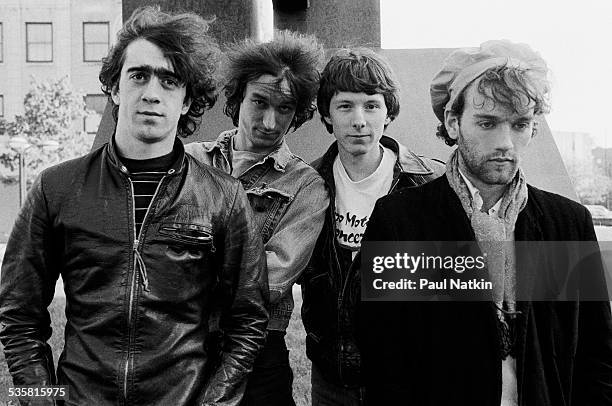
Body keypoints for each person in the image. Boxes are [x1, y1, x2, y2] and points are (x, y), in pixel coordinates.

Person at [0, 7, 269, 406]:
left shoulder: (223, 196)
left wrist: (213, 404)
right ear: (114, 88)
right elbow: (17, 316)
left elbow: (248, 321)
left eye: (170, 81)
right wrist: (40, 401)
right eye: (138, 75)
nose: (151, 93)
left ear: (187, 100)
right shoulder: (56, 187)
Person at [357, 40, 612, 405]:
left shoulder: (567, 224)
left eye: (520, 124)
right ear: (452, 121)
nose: (505, 142)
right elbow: (384, 361)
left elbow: (596, 354)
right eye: (487, 123)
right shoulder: (402, 222)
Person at [185, 30, 328, 406]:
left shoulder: (305, 185)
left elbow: (270, 278)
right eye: (259, 102)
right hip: (179, 346)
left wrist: (183, 268)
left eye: (284, 109)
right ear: (237, 98)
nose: (269, 121)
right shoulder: (189, 161)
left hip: (257, 352)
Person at [299, 48, 444, 405]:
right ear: (327, 115)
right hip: (332, 377)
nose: (359, 120)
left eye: (371, 105)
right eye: (345, 106)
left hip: (407, 377)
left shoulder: (426, 182)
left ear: (389, 112)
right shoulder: (306, 185)